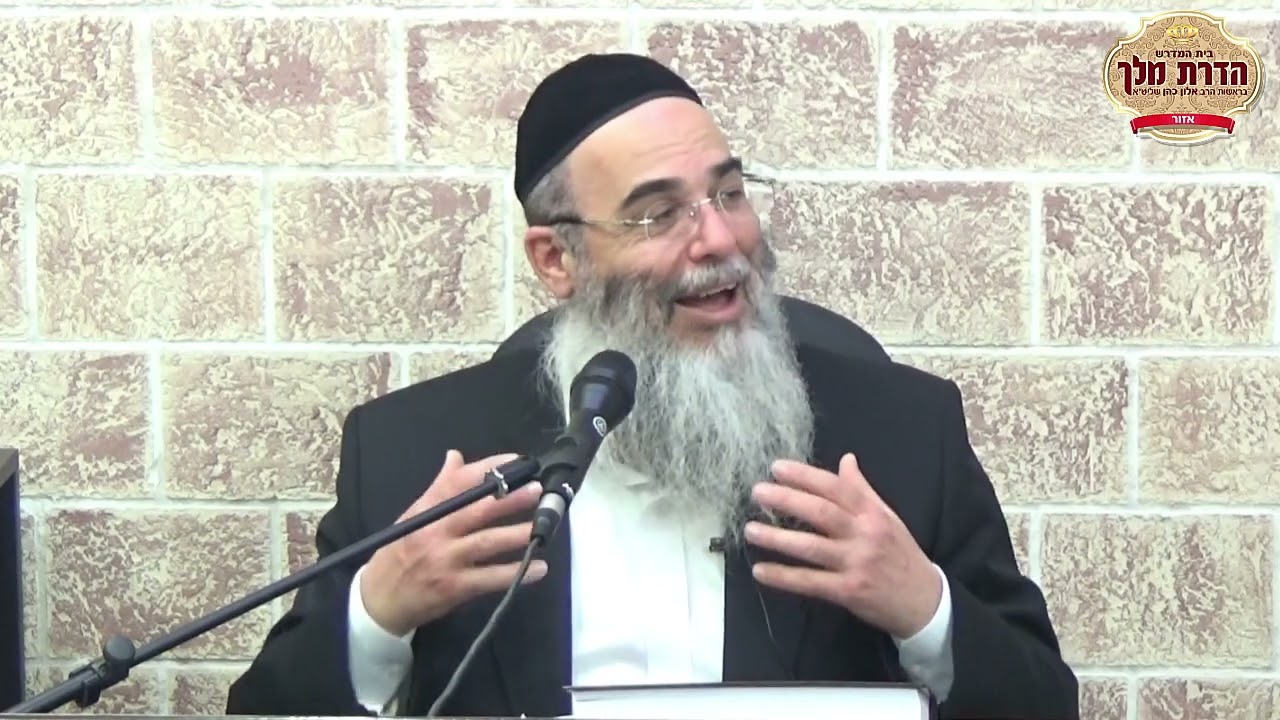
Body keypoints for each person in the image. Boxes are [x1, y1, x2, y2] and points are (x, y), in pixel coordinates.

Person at [225, 53, 1079, 719]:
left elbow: (1047, 704)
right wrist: (378, 613)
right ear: (557, 259)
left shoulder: (901, 433)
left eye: (729, 193)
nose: (720, 240)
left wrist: (925, 609)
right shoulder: (412, 453)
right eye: (658, 213)